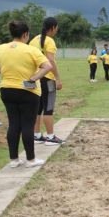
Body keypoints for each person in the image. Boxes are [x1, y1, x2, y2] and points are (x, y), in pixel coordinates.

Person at [0, 21, 52, 167]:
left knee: (13, 123)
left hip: (6, 89)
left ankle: (14, 160)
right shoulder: (31, 50)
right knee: (28, 124)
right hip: (28, 90)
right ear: (25, 34)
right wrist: (34, 78)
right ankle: (30, 160)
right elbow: (47, 66)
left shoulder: (0, 49)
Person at [30, 17, 63, 146]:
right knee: (48, 108)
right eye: (57, 27)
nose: (57, 29)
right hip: (48, 78)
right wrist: (58, 78)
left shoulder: (33, 40)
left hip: (36, 78)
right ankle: (50, 137)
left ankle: (37, 135)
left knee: (38, 108)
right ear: (53, 27)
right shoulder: (49, 41)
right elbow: (51, 61)